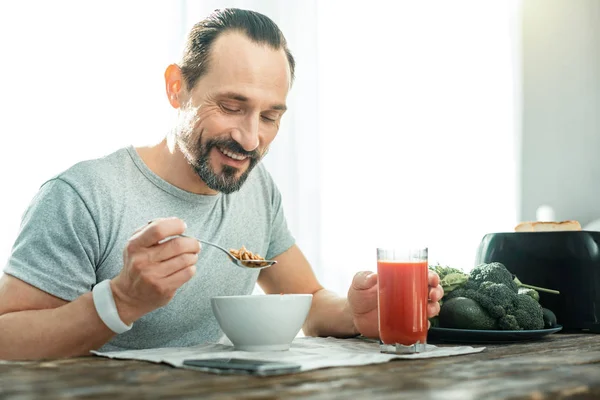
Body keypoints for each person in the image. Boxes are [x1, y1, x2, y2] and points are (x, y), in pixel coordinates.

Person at [0, 8, 443, 360]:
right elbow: (6, 338)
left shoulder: (256, 188)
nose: (251, 139)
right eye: (232, 107)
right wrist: (120, 300)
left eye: (270, 117)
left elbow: (304, 298)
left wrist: (354, 313)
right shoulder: (83, 196)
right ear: (177, 88)